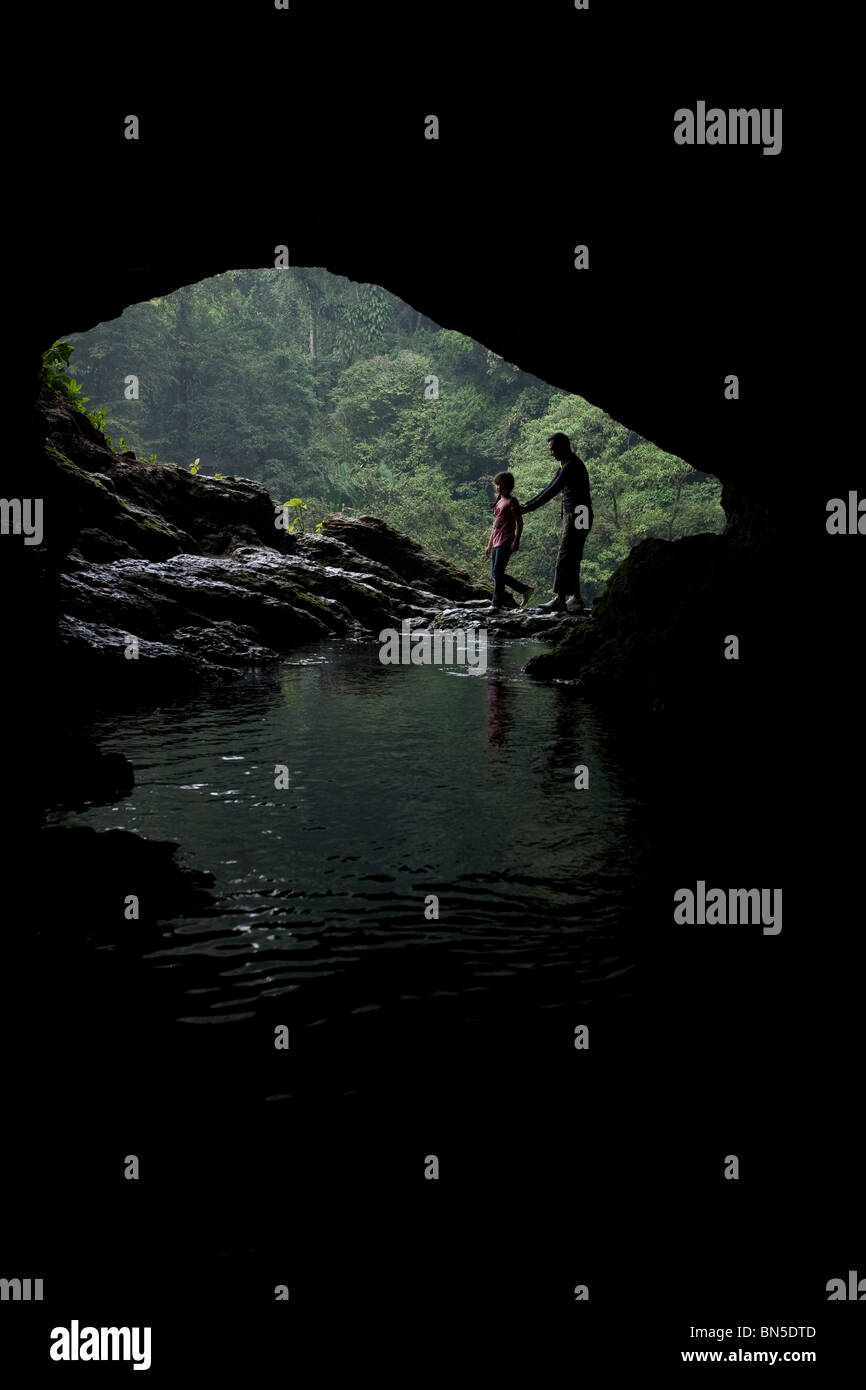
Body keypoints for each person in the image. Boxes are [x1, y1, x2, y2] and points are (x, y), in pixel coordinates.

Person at [518, 433, 593, 612]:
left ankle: (560, 598)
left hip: (577, 514)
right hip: (581, 513)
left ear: (563, 447)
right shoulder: (567, 465)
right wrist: (527, 505)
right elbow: (549, 487)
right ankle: (576, 598)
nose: (551, 453)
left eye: (553, 449)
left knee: (566, 554)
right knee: (573, 555)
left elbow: (551, 491)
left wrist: (528, 508)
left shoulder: (570, 466)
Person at [484, 472, 535, 611]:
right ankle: (524, 590)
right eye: (497, 485)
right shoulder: (499, 501)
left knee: (497, 572)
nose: (498, 487)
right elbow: (495, 527)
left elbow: (520, 522)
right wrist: (489, 545)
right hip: (496, 542)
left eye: (500, 485)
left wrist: (517, 540)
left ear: (508, 486)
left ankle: (496, 603)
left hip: (506, 542)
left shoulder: (512, 502)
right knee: (496, 573)